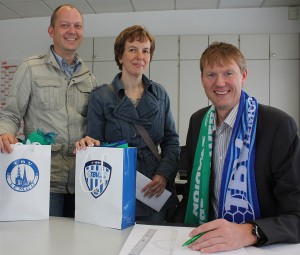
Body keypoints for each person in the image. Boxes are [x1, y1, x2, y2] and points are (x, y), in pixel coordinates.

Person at [177, 42, 300, 253]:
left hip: (258, 246)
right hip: (206, 241)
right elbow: (192, 191)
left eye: (228, 73)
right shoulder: (197, 121)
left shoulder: (277, 125)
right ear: (202, 80)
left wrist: (249, 232)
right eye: (211, 74)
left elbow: (296, 214)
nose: (220, 82)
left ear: (243, 76)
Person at [0, 4, 99, 217]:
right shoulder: (30, 68)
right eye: (65, 25)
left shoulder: (89, 78)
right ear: (51, 31)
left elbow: (94, 127)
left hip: (81, 182)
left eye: (77, 26)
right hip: (44, 180)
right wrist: (5, 133)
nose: (72, 31)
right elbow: (10, 114)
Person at [75, 25, 180, 222]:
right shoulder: (101, 96)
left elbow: (171, 141)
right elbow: (95, 146)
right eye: (132, 49)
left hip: (152, 188)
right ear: (120, 56)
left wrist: (164, 174)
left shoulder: (160, 94)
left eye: (145, 50)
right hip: (115, 186)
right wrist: (86, 143)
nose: (140, 56)